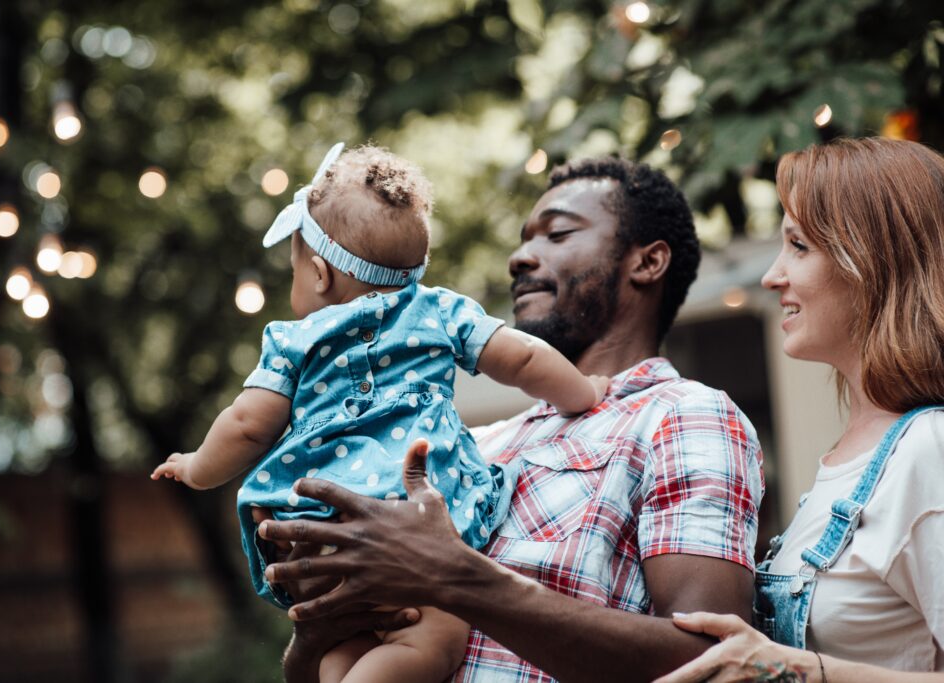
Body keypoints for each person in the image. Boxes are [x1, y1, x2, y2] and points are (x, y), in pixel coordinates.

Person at [257, 156, 767, 682]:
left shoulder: (681, 414)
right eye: (524, 239)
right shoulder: (475, 444)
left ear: (647, 262)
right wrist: (316, 620)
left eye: (558, 233)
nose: (520, 257)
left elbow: (720, 662)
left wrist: (454, 576)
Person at [151, 143, 608, 683]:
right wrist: (584, 391)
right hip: (412, 526)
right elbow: (524, 358)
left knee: (341, 646)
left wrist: (199, 467)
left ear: (319, 274)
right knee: (433, 637)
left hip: (322, 533)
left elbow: (247, 423)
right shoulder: (440, 311)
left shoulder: (294, 339)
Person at [655, 138, 944, 681]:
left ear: (873, 263)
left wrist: (791, 669)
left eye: (799, 246)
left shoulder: (930, 448)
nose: (772, 276)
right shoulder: (852, 458)